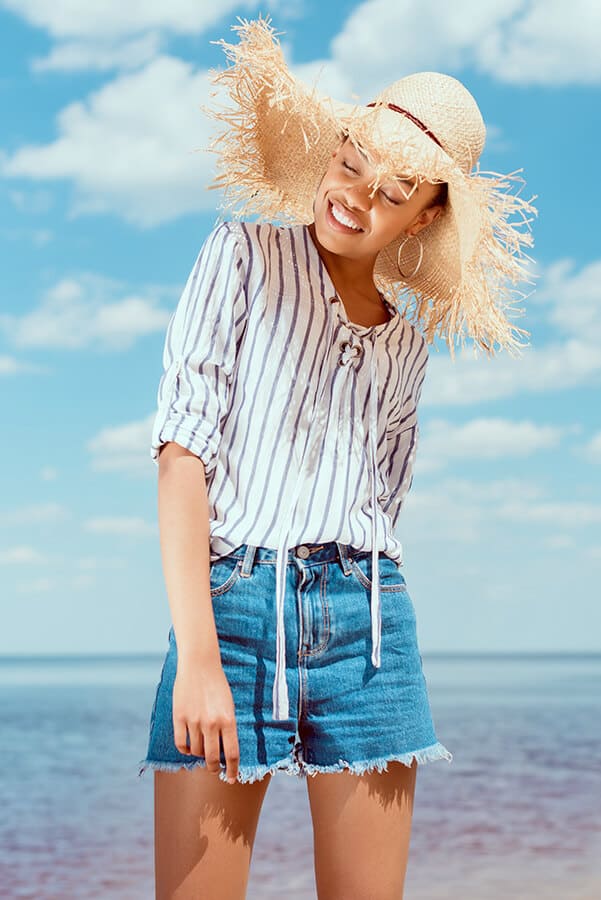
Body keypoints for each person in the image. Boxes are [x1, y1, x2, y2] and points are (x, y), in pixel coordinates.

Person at [137, 16, 536, 899]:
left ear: (426, 213)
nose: (353, 195)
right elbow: (181, 453)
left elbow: (382, 502)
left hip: (370, 626)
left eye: (392, 191)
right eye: (350, 161)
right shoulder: (240, 255)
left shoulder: (406, 346)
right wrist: (197, 655)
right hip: (231, 612)